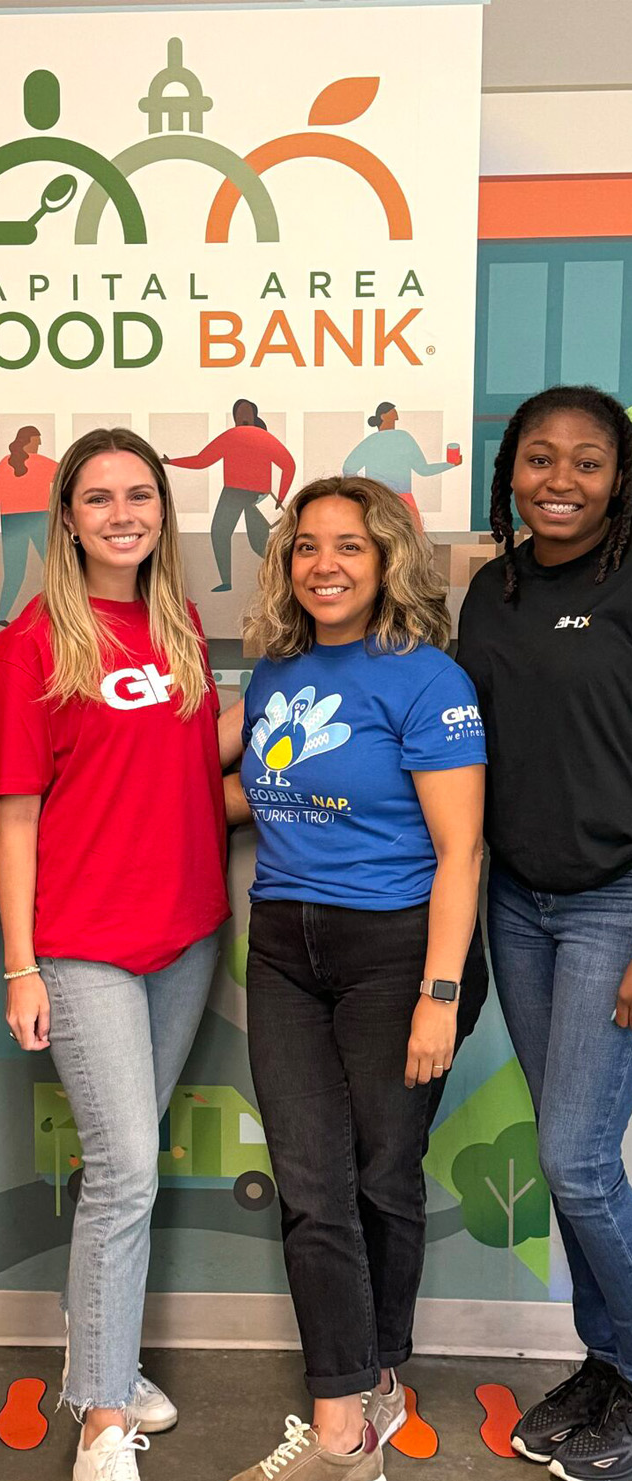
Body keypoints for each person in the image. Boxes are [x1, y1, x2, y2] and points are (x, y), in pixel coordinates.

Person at [0, 427, 238, 1481]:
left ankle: (107, 1356)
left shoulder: (177, 621)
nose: (123, 512)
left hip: (186, 931)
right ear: (69, 517)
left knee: (122, 1168)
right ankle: (99, 1415)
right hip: (82, 942)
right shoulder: (30, 645)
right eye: (100, 497)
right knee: (129, 1169)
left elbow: (180, 761)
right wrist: (21, 963)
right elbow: (16, 818)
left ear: (160, 513)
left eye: (141, 493)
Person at [225, 475, 488, 1481]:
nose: (324, 564)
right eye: (306, 546)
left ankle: (374, 1373)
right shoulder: (277, 668)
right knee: (311, 1183)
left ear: (385, 562)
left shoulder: (428, 681)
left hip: (398, 950)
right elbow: (252, 787)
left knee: (383, 1178)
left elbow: (460, 850)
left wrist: (439, 991)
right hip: (287, 946)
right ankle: (342, 1430)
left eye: (349, 546)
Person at [457, 384, 632, 1481]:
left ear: (621, 478)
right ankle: (608, 1362)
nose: (559, 480)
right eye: (538, 459)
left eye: (587, 462)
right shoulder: (492, 588)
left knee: (573, 1157)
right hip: (517, 903)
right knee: (573, 1156)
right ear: (508, 468)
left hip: (617, 896)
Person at [164, 398, 295, 591]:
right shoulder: (233, 437)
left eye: (245, 413)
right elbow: (202, 460)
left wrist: (281, 497)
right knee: (219, 532)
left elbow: (288, 465)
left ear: (253, 416)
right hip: (233, 493)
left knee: (258, 544)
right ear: (234, 418)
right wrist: (172, 462)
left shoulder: (262, 438)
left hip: (257, 496)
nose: (242, 417)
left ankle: (286, 577)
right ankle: (226, 582)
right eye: (239, 413)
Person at [343, 402, 461, 529]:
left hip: (378, 501)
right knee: (411, 540)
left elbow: (348, 469)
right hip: (401, 500)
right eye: (393, 413)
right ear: (383, 416)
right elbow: (424, 470)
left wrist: (364, 492)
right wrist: (450, 464)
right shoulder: (403, 437)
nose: (396, 417)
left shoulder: (370, 441)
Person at [0, 424, 60, 625]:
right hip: (33, 519)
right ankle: (2, 615)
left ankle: (3, 615)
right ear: (28, 441)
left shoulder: (9, 462)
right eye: (37, 440)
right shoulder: (39, 463)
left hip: (18, 520)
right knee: (48, 568)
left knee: (23, 571)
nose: (40, 444)